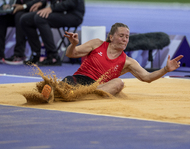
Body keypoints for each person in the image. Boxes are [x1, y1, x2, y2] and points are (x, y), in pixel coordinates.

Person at [40, 22, 183, 101]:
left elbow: (147, 77)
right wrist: (73, 44)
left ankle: (79, 95)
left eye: (127, 37)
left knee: (119, 83)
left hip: (99, 87)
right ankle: (52, 94)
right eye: (121, 36)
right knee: (59, 88)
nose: (125, 39)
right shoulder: (97, 44)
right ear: (111, 37)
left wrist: (165, 69)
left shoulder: (128, 61)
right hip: (79, 79)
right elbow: (72, 54)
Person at [20, 0, 85, 66]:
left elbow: (71, 2)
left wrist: (52, 8)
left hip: (73, 15)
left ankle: (53, 56)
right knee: (25, 19)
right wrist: (41, 3)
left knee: (40, 18)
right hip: (58, 11)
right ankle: (37, 54)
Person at [0, 0, 46, 65]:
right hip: (20, 12)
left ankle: (19, 54)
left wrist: (24, 6)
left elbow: (41, 1)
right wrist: (9, 6)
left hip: (33, 13)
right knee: (2, 19)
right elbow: (16, 3)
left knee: (19, 16)